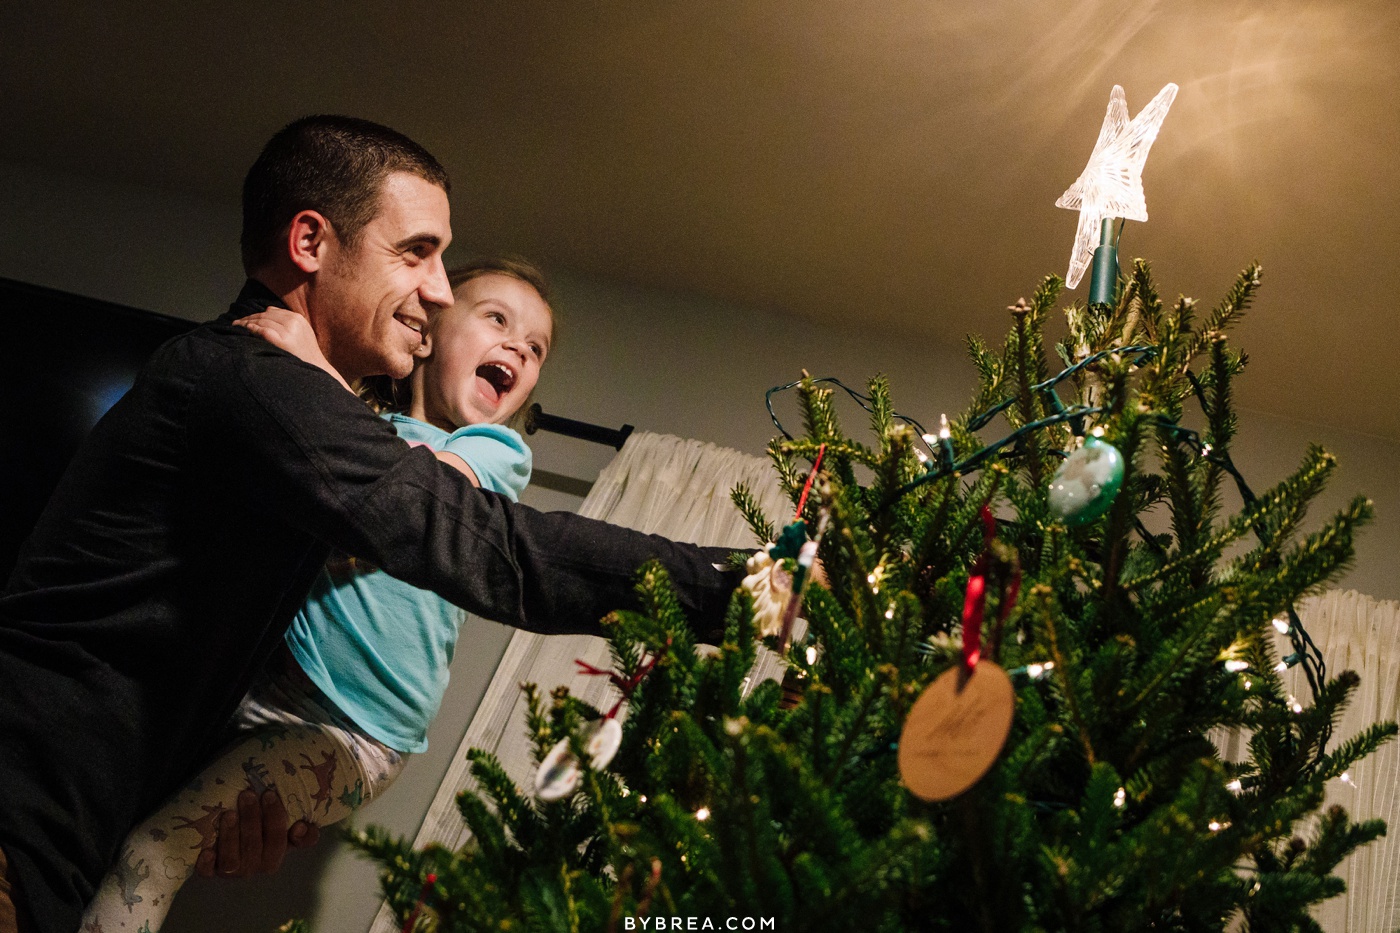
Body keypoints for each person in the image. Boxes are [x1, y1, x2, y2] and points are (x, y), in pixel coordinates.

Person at [0, 116, 743, 933]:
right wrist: (749, 587)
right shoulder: (252, 378)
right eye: (415, 251)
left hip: (63, 849)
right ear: (312, 242)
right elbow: (490, 545)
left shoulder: (303, 405)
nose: (437, 287)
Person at [80, 258, 556, 931]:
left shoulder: (494, 451)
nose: (516, 346)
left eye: (534, 348)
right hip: (261, 677)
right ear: (429, 333)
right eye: (497, 320)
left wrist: (312, 367)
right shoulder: (362, 429)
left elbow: (398, 505)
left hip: (352, 728)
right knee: (124, 812)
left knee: (154, 853)